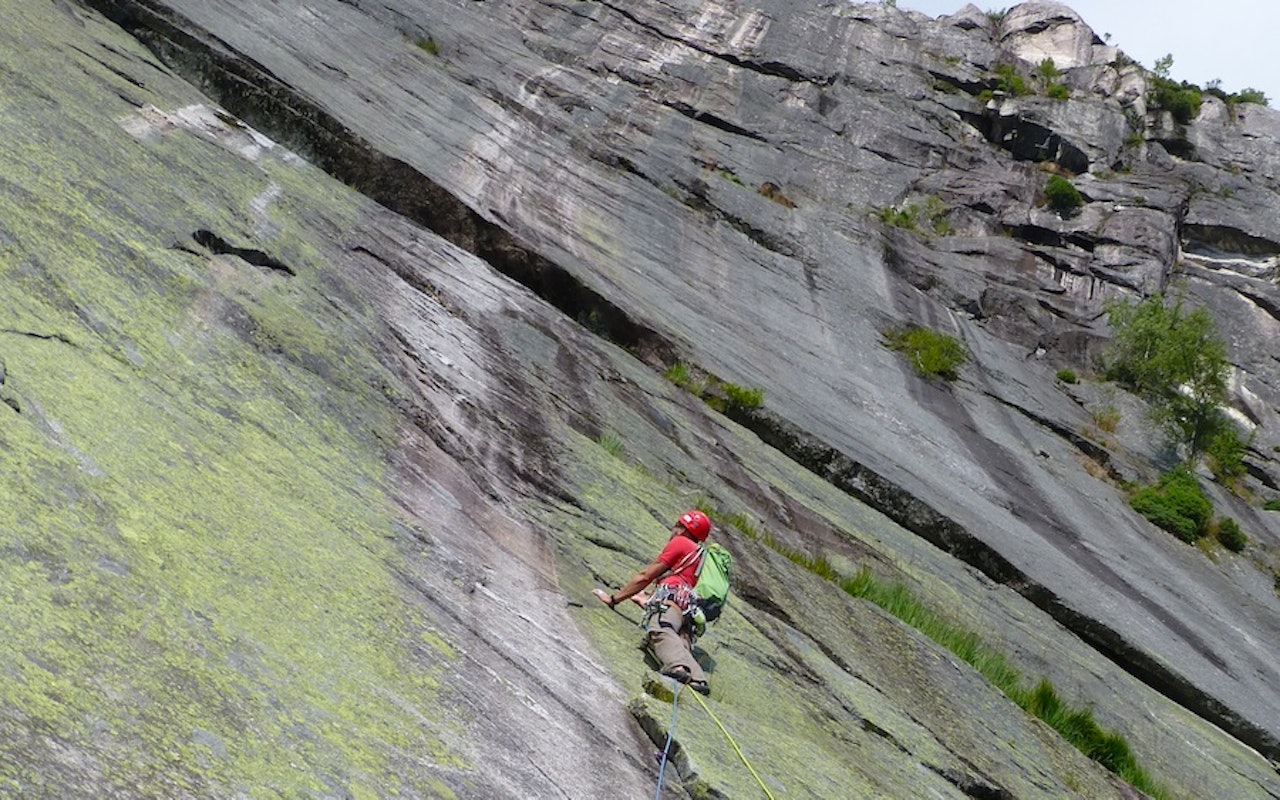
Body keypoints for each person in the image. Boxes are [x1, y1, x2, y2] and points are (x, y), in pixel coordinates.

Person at [593, 509, 713, 695]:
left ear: (682, 528)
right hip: (688, 610)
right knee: (678, 641)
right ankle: (698, 680)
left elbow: (645, 576)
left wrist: (613, 599)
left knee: (660, 628)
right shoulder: (699, 555)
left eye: (677, 525)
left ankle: (679, 668)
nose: (673, 530)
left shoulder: (680, 543)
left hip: (672, 601)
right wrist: (647, 600)